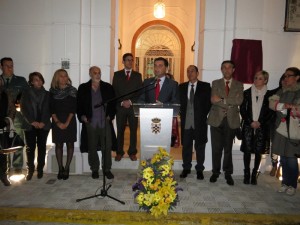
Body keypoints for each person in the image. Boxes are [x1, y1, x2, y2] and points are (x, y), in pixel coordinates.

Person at [207, 60, 244, 186]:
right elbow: (213, 99)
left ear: (233, 70)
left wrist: (222, 99)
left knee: (228, 148)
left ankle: (228, 173)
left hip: (231, 120)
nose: (227, 70)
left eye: (229, 68)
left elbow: (239, 101)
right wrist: (229, 101)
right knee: (216, 149)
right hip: (216, 119)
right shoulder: (215, 83)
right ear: (221, 69)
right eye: (224, 68)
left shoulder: (239, 84)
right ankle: (215, 172)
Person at [77, 66, 116, 180]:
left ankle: (107, 169)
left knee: (107, 146)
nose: (97, 75)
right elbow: (79, 105)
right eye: (95, 73)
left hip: (105, 122)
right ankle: (94, 169)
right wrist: (83, 117)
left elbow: (113, 104)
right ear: (90, 74)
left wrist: (110, 116)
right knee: (92, 147)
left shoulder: (107, 87)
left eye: (99, 73)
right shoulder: (83, 88)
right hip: (90, 122)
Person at [269, 67, 300, 196]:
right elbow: (272, 105)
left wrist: (284, 107)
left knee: (292, 158)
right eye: (285, 76)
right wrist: (285, 107)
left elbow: (297, 111)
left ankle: (292, 185)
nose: (285, 78)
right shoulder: (281, 91)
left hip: (293, 129)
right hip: (280, 128)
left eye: (289, 76)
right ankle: (285, 183)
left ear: (297, 77)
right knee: (283, 158)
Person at [240, 70, 274, 185]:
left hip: (262, 126)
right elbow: (242, 110)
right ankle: (246, 174)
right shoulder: (246, 93)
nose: (256, 80)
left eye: (259, 78)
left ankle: (254, 174)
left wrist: (260, 122)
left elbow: (270, 112)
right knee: (247, 151)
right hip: (248, 126)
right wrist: (250, 122)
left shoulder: (270, 95)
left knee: (259, 151)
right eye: (255, 78)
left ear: (265, 80)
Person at [179, 65, 211, 179]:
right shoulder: (181, 87)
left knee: (200, 146)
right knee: (186, 146)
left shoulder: (205, 86)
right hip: (186, 122)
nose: (190, 73)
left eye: (192, 71)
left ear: (197, 73)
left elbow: (208, 104)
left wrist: (201, 115)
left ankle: (199, 169)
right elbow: (180, 104)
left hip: (200, 122)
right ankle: (186, 168)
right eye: (188, 71)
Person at [0, 57, 29, 174]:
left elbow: (27, 96)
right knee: (2, 142)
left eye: (11, 65)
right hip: (1, 116)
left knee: (17, 140)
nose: (10, 68)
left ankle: (17, 166)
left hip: (16, 116)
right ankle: (3, 167)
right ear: (1, 67)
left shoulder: (21, 81)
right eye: (7, 65)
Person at [20, 72, 51, 180]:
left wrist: (43, 122)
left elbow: (49, 110)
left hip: (44, 124)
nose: (39, 81)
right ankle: (30, 169)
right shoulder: (26, 93)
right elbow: (23, 109)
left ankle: (40, 169)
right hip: (30, 125)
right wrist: (32, 121)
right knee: (30, 148)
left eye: (40, 79)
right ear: (31, 82)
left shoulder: (47, 94)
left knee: (42, 147)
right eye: (36, 80)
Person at [113, 53, 142, 161]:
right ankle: (119, 152)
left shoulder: (138, 75)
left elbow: (140, 92)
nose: (130, 62)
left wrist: (130, 101)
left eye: (131, 60)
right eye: (127, 60)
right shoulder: (117, 75)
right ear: (123, 61)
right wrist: (121, 102)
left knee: (134, 131)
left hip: (132, 107)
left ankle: (132, 152)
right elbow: (114, 91)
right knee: (120, 130)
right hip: (120, 107)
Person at [50, 69, 77, 180]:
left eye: (65, 76)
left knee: (70, 144)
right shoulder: (52, 92)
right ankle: (60, 168)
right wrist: (57, 122)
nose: (64, 78)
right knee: (59, 145)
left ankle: (67, 168)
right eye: (61, 76)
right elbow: (51, 109)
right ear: (57, 78)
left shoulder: (73, 90)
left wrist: (66, 123)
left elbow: (74, 108)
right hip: (57, 120)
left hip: (69, 120)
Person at [267, 74, 286, 177]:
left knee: (286, 147)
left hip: (288, 124)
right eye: (283, 79)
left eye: (287, 79)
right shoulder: (273, 92)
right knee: (274, 144)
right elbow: (270, 108)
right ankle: (274, 165)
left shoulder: (294, 93)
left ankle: (281, 167)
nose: (285, 81)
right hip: (274, 122)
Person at [0, 79, 16, 186]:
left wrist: (7, 120)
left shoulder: (6, 94)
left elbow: (12, 109)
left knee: (3, 153)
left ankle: (4, 176)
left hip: (2, 126)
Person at [166, 73, 180, 148]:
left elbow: (176, 100)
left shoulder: (174, 88)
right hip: (162, 114)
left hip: (171, 113)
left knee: (172, 131)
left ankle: (173, 142)